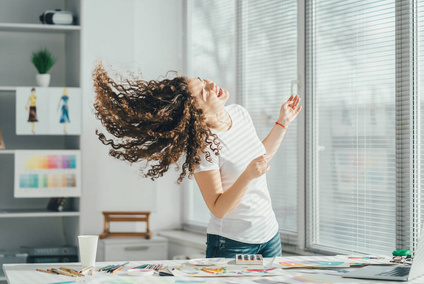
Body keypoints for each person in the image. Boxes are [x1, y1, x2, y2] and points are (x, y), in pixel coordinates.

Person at [92, 63, 302, 258]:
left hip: (270, 235)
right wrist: (247, 176)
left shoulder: (240, 113)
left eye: (204, 80)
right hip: (232, 244)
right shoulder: (203, 147)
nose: (212, 84)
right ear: (196, 114)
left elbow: (260, 159)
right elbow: (218, 208)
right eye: (203, 91)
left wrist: (282, 122)